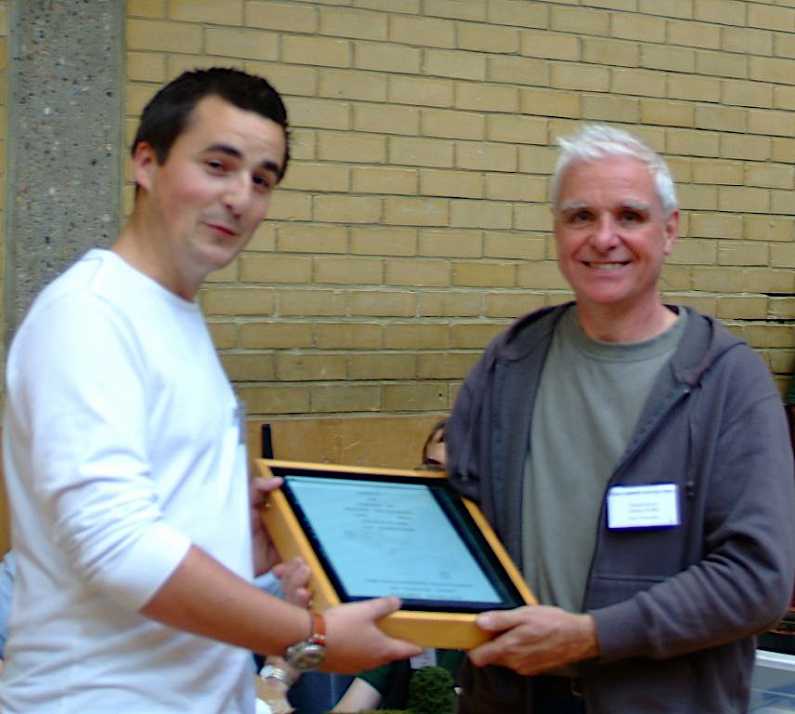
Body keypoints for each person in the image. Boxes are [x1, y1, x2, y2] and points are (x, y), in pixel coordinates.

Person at [0, 67, 419, 713]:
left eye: (262, 179)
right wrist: (311, 637)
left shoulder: (172, 315)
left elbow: (140, 517)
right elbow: (114, 544)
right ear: (147, 161)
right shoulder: (88, 315)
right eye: (218, 165)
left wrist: (228, 529)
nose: (240, 197)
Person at [446, 123, 795, 713]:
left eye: (628, 216)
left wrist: (594, 636)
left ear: (670, 229)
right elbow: (455, 522)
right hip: (512, 698)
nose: (603, 238)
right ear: (557, 230)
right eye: (580, 216)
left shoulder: (728, 383)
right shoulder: (510, 363)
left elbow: (757, 580)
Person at [332, 419, 465, 712]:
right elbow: (359, 697)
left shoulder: (508, 587)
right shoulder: (412, 578)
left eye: (455, 477)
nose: (438, 487)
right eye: (431, 468)